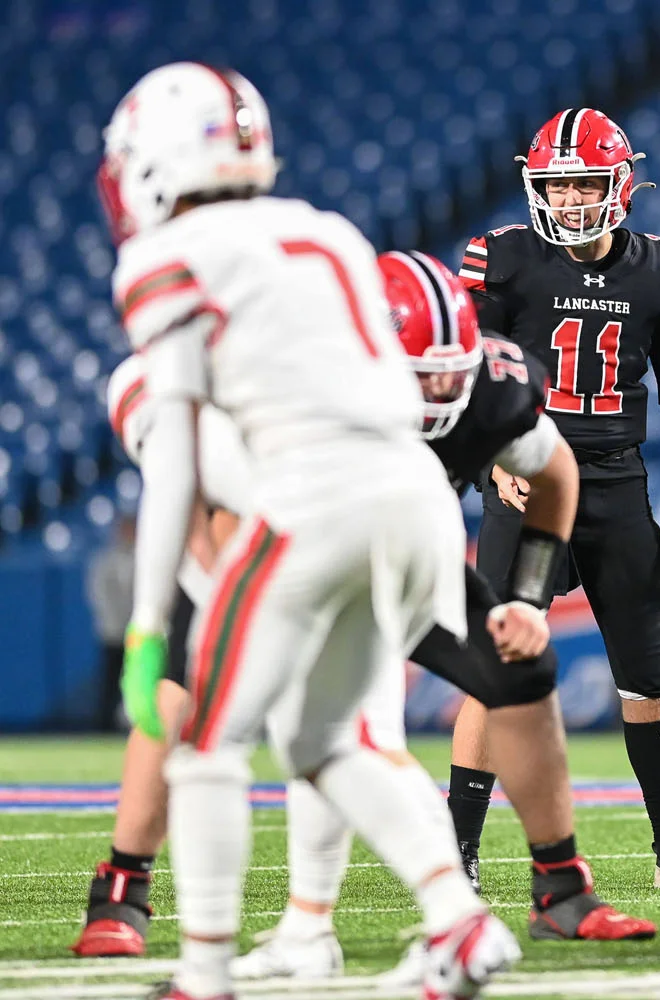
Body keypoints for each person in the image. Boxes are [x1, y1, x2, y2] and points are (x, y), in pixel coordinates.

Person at [100, 62, 517, 998]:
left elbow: (172, 463)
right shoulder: (322, 230)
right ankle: (460, 923)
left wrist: (144, 626)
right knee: (332, 738)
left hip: (314, 492)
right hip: (413, 489)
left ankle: (202, 973)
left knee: (206, 741)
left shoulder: (167, 258)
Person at [233, 251, 654, 984]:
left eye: (446, 371)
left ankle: (560, 887)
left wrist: (526, 596)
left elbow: (555, 473)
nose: (435, 389)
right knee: (330, 725)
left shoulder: (491, 387)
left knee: (522, 667)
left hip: (410, 546)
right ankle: (310, 923)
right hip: (306, 549)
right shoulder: (305, 391)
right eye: (415, 373)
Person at [456, 107, 660, 888]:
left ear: (621, 182)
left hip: (618, 480)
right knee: (494, 666)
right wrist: (489, 463)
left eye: (587, 182)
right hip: (529, 477)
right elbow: (470, 372)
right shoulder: (507, 261)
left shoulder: (659, 271)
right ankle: (460, 856)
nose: (574, 199)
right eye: (560, 184)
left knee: (647, 678)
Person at [70, 359, 249, 958]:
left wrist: (148, 623)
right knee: (179, 705)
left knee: (340, 735)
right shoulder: (185, 415)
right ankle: (122, 893)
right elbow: (183, 504)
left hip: (340, 506)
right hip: (274, 510)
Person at [87, 514, 136, 730]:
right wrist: (114, 622)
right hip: (114, 631)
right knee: (110, 681)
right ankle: (103, 725)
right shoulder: (105, 559)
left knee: (138, 680)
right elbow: (100, 596)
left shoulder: (141, 557)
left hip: (137, 631)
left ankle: (136, 724)